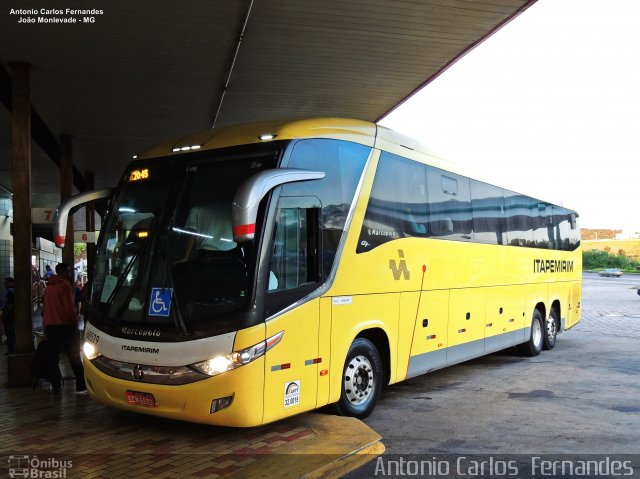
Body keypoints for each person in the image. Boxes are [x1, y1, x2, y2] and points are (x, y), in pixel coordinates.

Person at [42, 263, 86, 394]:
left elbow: (45, 308)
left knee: (53, 357)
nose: (70, 274)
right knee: (74, 356)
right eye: (69, 271)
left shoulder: (48, 288)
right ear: (65, 272)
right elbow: (69, 308)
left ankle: (56, 386)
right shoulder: (65, 286)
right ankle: (81, 386)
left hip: (50, 326)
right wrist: (75, 321)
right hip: (65, 326)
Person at [1, 277, 16, 355]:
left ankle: (12, 350)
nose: (4, 284)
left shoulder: (10, 291)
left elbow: (10, 304)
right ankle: (12, 350)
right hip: (11, 314)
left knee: (10, 333)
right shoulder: (12, 291)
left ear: (11, 283)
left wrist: (5, 313)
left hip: (9, 315)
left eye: (6, 283)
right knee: (10, 333)